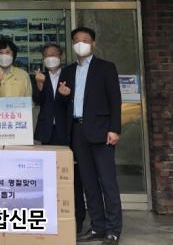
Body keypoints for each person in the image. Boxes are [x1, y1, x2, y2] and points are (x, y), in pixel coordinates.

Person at [63, 27, 122, 244]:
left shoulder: (106, 67)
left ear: (93, 43)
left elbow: (115, 100)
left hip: (102, 131)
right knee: (89, 183)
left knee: (107, 183)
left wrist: (114, 129)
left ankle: (113, 229)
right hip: (78, 131)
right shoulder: (68, 71)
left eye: (85, 40)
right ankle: (97, 227)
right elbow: (65, 103)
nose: (81, 44)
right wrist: (63, 95)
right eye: (77, 40)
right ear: (72, 44)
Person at [33, 43, 86, 234]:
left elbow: (74, 101)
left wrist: (66, 95)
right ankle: (51, 216)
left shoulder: (70, 74)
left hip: (68, 131)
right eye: (47, 55)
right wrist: (39, 85)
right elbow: (38, 101)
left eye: (54, 54)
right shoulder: (39, 76)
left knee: (73, 176)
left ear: (61, 55)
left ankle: (78, 218)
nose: (50, 58)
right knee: (48, 177)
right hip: (48, 132)